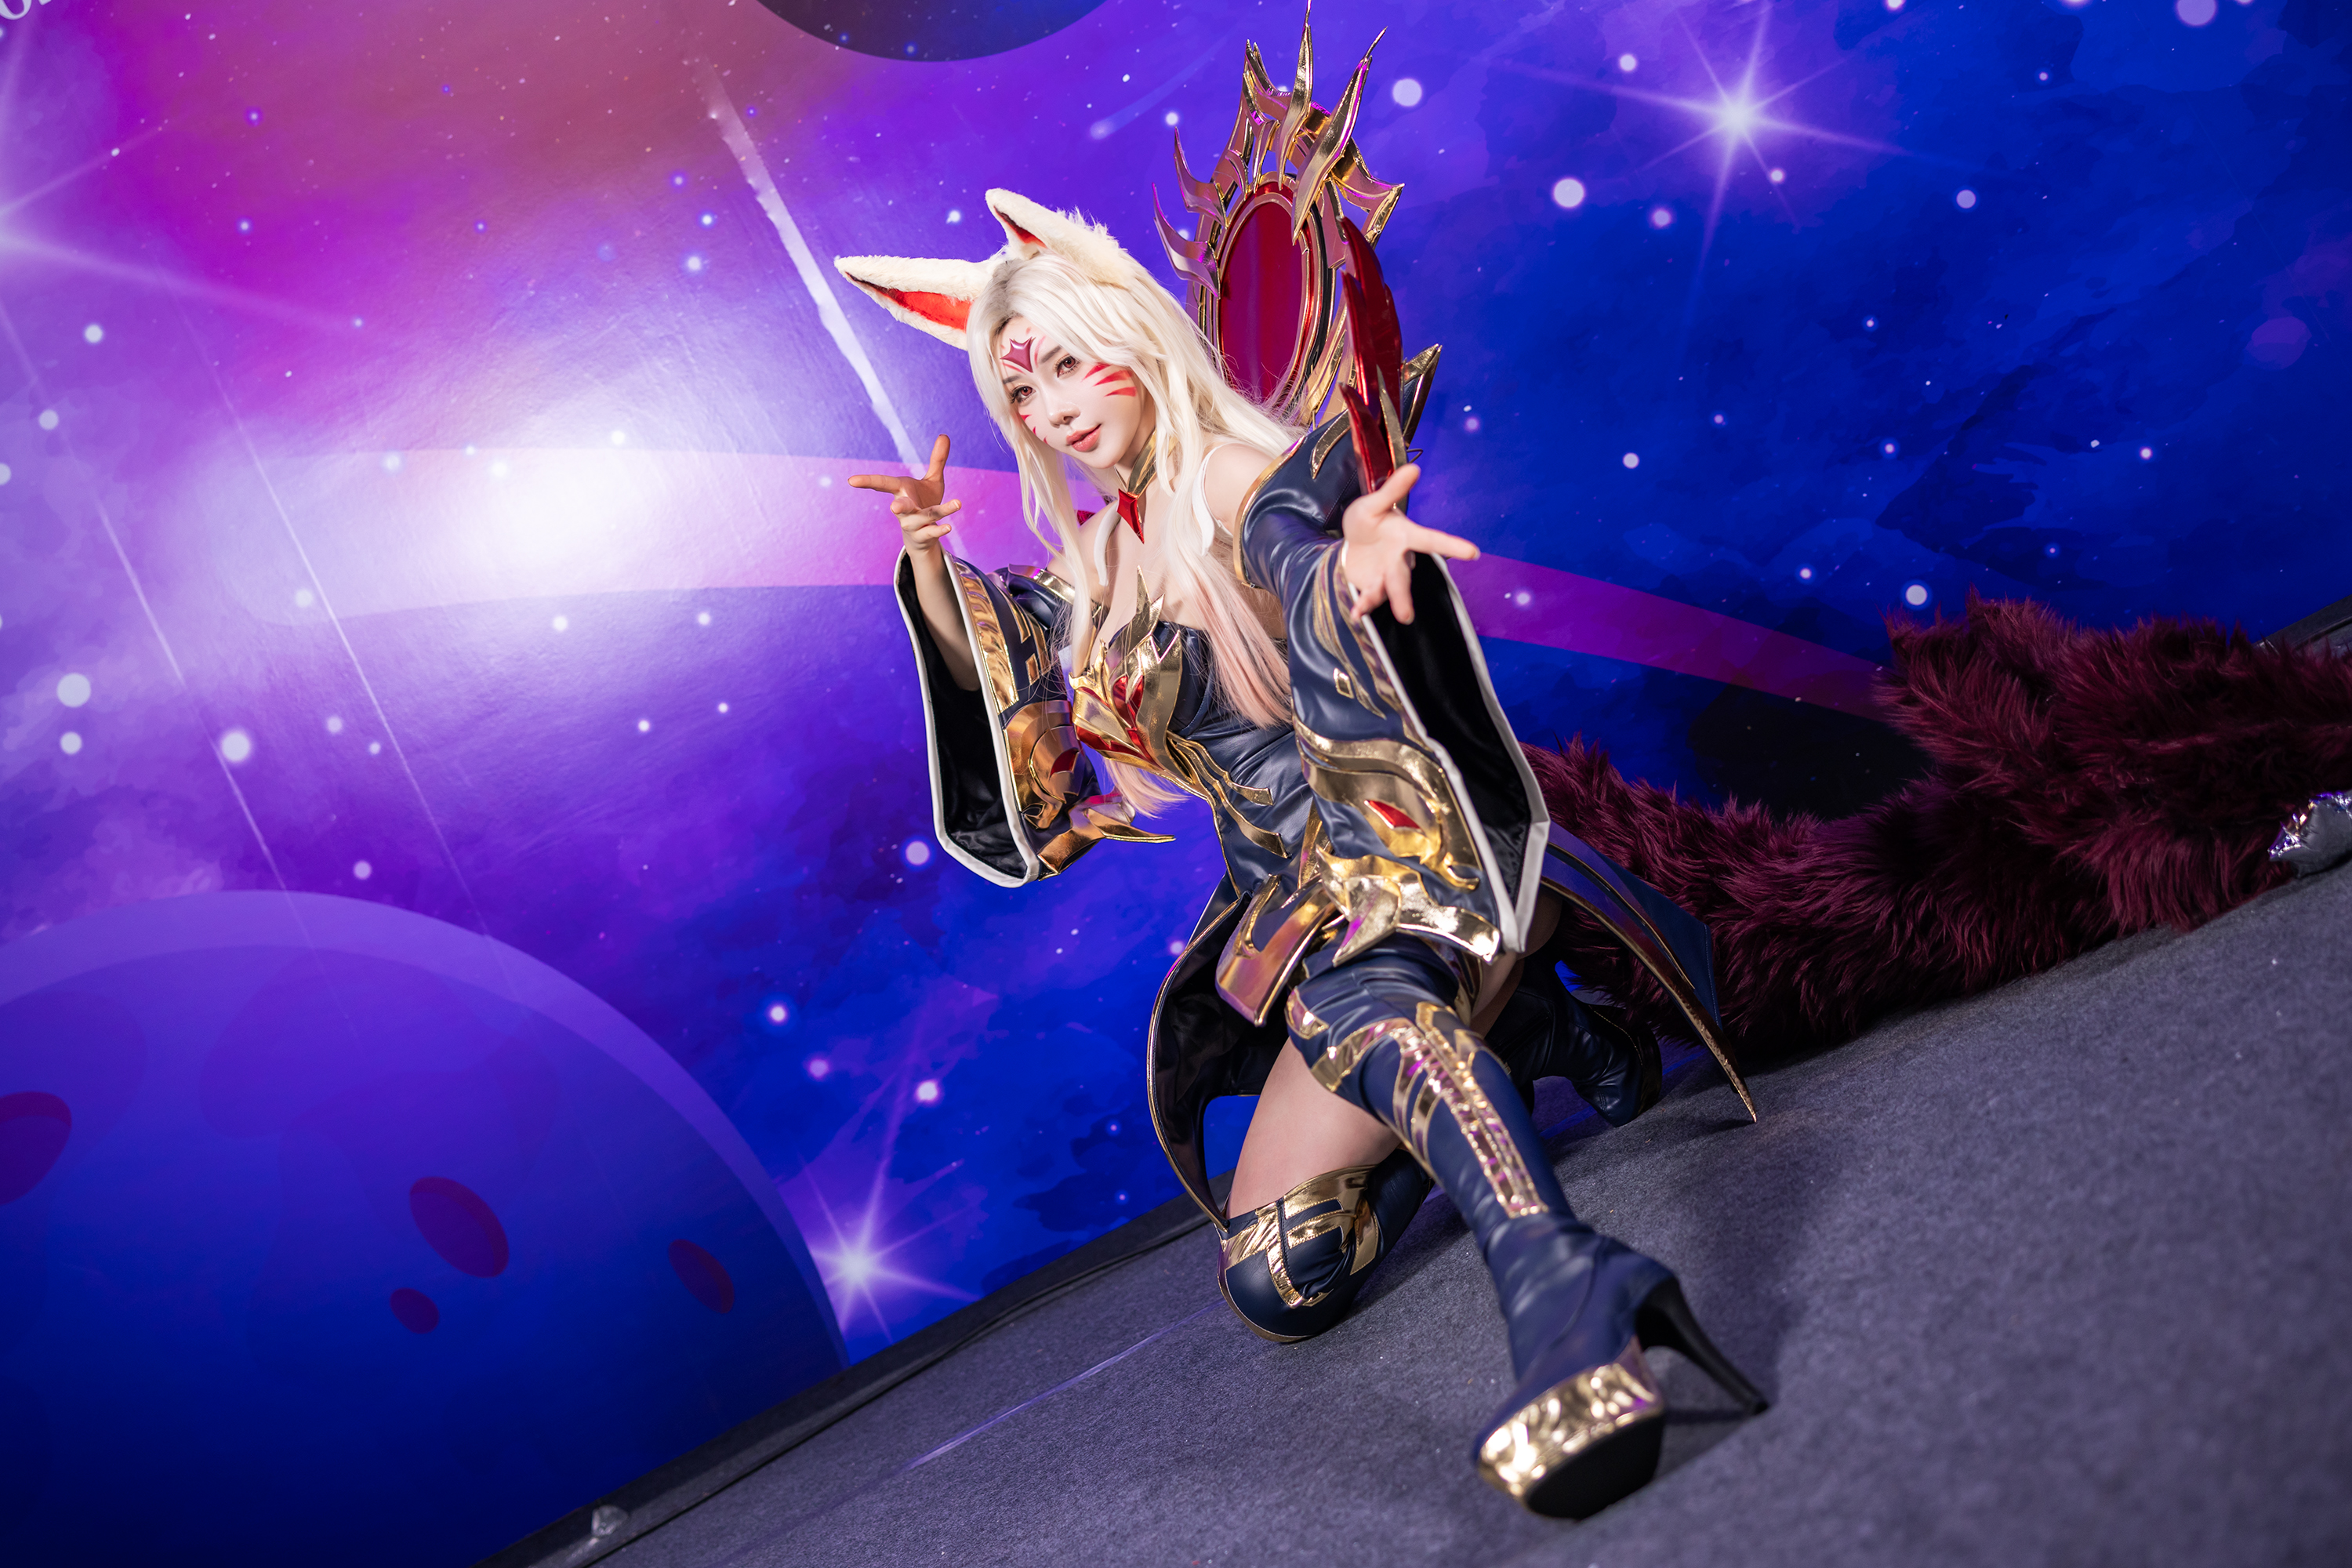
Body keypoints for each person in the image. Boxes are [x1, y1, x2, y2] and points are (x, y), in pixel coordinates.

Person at [835, 189, 1765, 1519]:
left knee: (1355, 1009)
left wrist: (1357, 556)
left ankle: (1564, 1281)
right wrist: (933, 571)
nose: (1050, 409)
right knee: (1282, 1273)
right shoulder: (1104, 550)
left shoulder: (1234, 479)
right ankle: (1542, 1037)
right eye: (1021, 391)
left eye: (1065, 364)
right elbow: (1024, 682)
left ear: (1131, 336)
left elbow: (1298, 548)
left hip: (1409, 855)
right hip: (1295, 916)